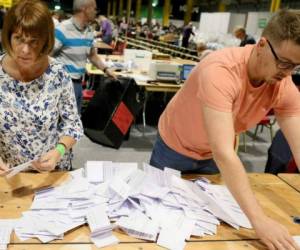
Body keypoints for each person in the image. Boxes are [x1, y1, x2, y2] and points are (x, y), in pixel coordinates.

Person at [150, 9, 300, 250]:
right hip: (174, 147)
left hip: (211, 156)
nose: (288, 73)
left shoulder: (283, 83)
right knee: (160, 221)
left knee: (206, 228)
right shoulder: (221, 71)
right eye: (284, 63)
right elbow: (224, 152)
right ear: (261, 45)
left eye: (295, 66)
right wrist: (259, 221)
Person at [0, 0, 83, 175]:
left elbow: (73, 124)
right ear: (8, 36)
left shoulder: (57, 73)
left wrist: (58, 152)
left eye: (34, 42)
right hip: (8, 175)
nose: (24, 49)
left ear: (46, 41)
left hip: (50, 174)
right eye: (18, 39)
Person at [52, 0, 116, 114]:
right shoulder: (62, 30)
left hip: (78, 85)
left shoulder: (89, 31)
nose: (96, 12)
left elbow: (92, 55)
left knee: (75, 122)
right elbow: (45, 55)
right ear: (85, 9)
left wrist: (106, 69)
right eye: (95, 8)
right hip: (62, 85)